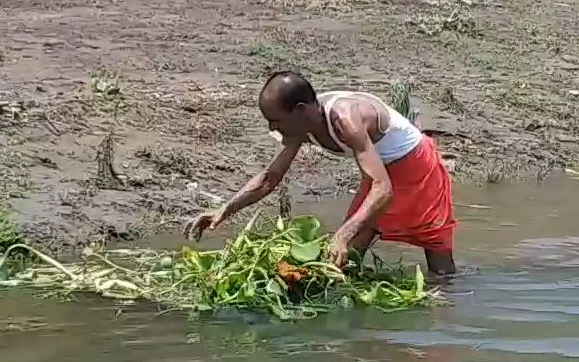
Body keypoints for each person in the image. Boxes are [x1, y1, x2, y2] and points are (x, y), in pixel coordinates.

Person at [184, 71, 457, 274]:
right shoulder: (299, 125)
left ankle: (444, 313)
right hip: (379, 173)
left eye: (276, 122)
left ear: (300, 111)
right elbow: (270, 178)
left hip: (416, 166)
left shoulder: (346, 120)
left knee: (436, 256)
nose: (273, 130)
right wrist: (223, 211)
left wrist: (343, 232)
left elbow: (382, 188)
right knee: (345, 261)